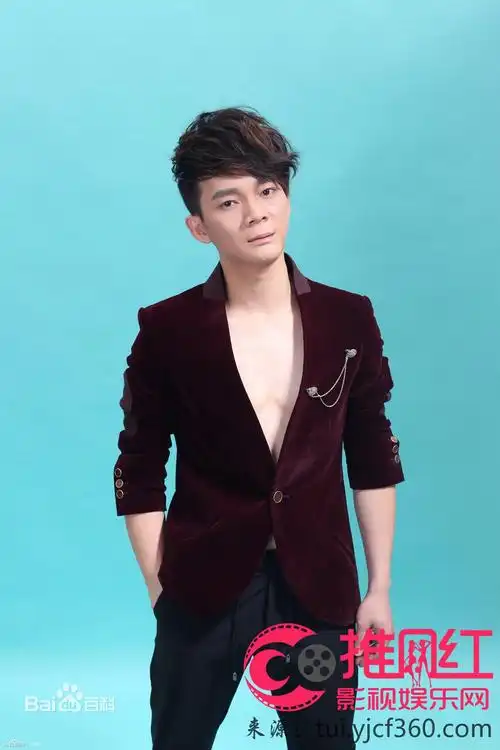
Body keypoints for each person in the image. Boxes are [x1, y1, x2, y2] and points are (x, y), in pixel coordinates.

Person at [112, 106, 405, 749]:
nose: (256, 214)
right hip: (204, 581)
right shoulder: (167, 330)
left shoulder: (348, 319)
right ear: (199, 227)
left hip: (318, 582)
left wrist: (379, 586)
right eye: (229, 201)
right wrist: (162, 589)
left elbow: (373, 457)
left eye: (268, 190)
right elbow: (138, 465)